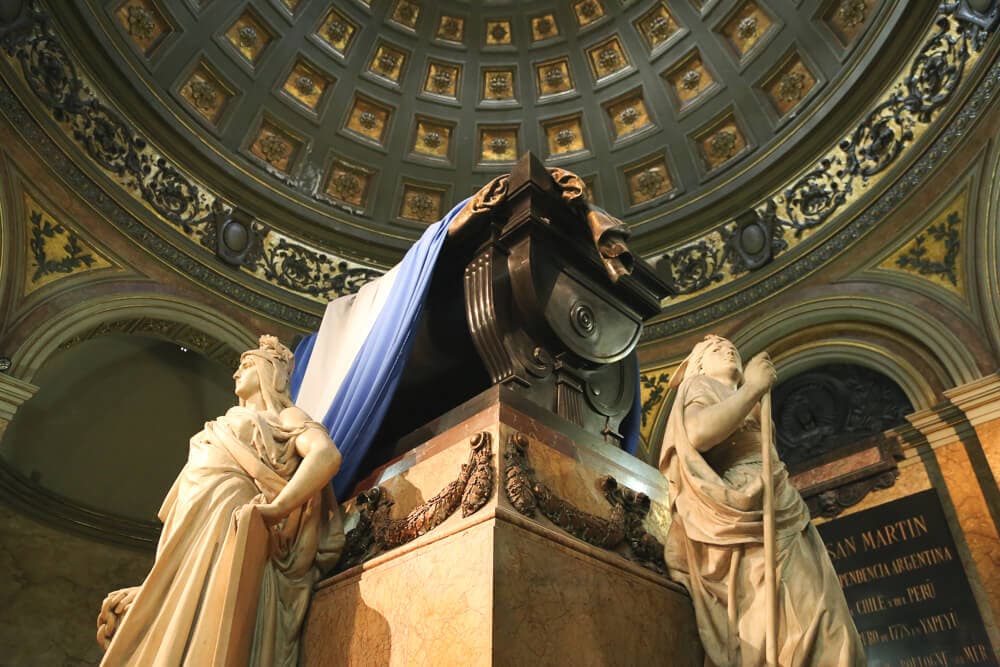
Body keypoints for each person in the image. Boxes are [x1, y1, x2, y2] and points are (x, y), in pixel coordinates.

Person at [97, 335, 345, 666]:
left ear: (269, 373)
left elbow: (326, 455)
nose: (234, 374)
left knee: (215, 631)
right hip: (193, 542)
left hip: (235, 531)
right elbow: (177, 541)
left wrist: (278, 508)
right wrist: (151, 589)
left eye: (245, 365)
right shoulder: (221, 426)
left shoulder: (285, 418)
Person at [658, 335, 864, 666]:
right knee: (791, 616)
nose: (727, 350)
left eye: (732, 349)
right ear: (698, 364)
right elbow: (697, 433)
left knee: (827, 617)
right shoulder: (700, 386)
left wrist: (752, 393)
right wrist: (751, 388)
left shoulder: (751, 401)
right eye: (715, 349)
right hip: (742, 512)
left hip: (779, 504)